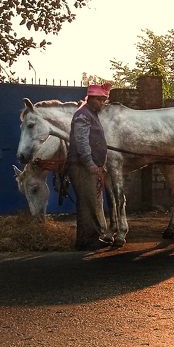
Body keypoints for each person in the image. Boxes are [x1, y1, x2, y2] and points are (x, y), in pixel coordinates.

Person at [67, 83, 113, 250]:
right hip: (82, 167)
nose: (102, 104)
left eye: (104, 101)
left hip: (88, 166)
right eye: (100, 100)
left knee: (90, 202)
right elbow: (81, 143)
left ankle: (88, 239)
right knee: (88, 204)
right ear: (92, 99)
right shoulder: (83, 115)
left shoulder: (90, 114)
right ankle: (88, 241)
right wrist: (90, 163)